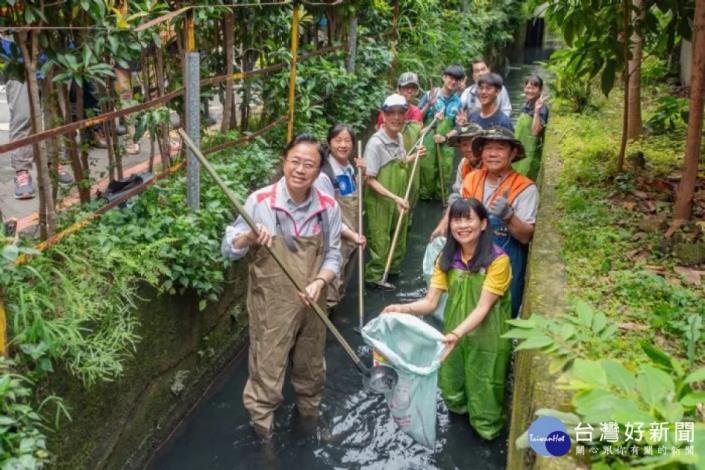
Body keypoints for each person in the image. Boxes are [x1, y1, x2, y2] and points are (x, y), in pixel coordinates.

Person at [221, 134, 343, 438]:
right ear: (284, 161)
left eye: (310, 165)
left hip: (313, 303)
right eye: (295, 161)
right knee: (266, 371)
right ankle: (264, 439)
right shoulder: (260, 202)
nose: (300, 170)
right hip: (271, 307)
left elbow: (334, 255)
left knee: (312, 369)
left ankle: (309, 420)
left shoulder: (328, 207)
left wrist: (319, 282)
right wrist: (249, 237)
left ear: (319, 171)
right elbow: (229, 248)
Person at [382, 198, 512, 440]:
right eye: (456, 220)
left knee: (485, 385)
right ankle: (459, 424)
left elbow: (483, 308)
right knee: (452, 385)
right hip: (453, 331)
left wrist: (455, 335)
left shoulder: (497, 260)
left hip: (488, 336)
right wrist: (400, 308)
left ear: (483, 224)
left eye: (468, 219)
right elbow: (430, 303)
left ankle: (486, 433)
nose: (462, 226)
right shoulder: (446, 257)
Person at [431, 127, 537, 317]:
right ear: (481, 152)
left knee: (500, 318)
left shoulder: (525, 188)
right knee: (463, 315)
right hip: (468, 266)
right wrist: (444, 225)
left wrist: (509, 216)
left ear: (513, 153)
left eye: (500, 148)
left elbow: (526, 237)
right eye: (488, 148)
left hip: (506, 266)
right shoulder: (471, 179)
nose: (493, 154)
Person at [1, 35, 74, 199]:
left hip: (56, 57)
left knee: (55, 116)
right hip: (17, 58)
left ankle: (53, 162)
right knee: (22, 117)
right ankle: (21, 170)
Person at [364, 93, 426, 284]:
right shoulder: (375, 144)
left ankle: (392, 277)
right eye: (391, 113)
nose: (396, 117)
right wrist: (394, 198)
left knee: (398, 243)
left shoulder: (399, 137)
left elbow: (398, 163)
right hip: (381, 204)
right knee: (380, 247)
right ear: (383, 114)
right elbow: (370, 180)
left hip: (398, 199)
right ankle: (374, 283)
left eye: (401, 113)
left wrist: (413, 157)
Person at [315, 124, 366, 306]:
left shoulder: (350, 168)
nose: (343, 145)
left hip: (351, 234)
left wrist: (363, 174)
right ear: (329, 142)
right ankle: (326, 319)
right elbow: (328, 216)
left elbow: (354, 196)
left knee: (343, 277)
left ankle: (335, 308)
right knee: (332, 280)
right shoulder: (325, 176)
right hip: (335, 237)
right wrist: (352, 234)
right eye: (338, 140)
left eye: (347, 141)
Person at [416, 65, 464, 201]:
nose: (453, 82)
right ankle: (424, 203)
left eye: (457, 79)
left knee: (445, 174)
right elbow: (417, 117)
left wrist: (445, 137)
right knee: (427, 174)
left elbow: (459, 127)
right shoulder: (430, 95)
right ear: (444, 77)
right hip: (428, 142)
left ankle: (440, 203)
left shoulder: (458, 102)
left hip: (446, 145)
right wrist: (429, 106)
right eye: (450, 78)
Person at [512, 74, 549, 181]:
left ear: (540, 90)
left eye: (533, 88)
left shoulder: (542, 108)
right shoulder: (526, 105)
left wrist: (537, 111)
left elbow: (535, 132)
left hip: (530, 157)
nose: (530, 91)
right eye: (528, 87)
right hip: (520, 154)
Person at [447, 122, 484, 208]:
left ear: (481, 145)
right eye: (464, 144)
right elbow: (458, 189)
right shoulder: (463, 163)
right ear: (459, 147)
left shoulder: (490, 165)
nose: (469, 149)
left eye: (473, 143)